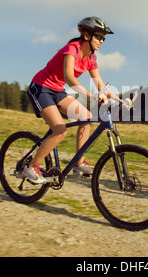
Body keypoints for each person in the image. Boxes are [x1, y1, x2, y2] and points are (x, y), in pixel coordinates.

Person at [24, 17, 128, 184]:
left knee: (86, 118)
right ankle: (31, 167)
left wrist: (120, 99)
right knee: (60, 130)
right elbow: (70, 78)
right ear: (86, 36)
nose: (102, 41)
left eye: (103, 38)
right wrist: (91, 95)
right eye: (99, 37)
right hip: (41, 88)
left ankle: (79, 163)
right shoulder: (72, 49)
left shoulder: (91, 58)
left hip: (57, 91)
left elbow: (100, 84)